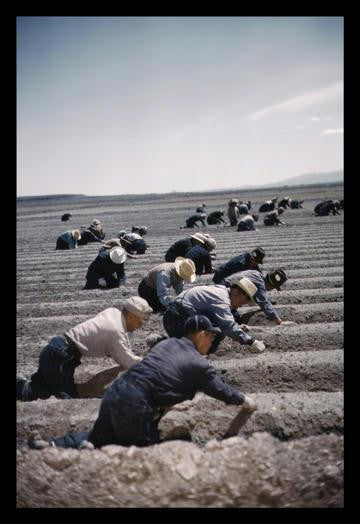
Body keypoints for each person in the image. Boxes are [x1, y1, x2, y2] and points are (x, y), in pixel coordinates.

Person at [29, 315, 256, 450]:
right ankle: (85, 464)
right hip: (135, 405)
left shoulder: (166, 345)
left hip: (115, 394)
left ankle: (52, 446)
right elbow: (220, 389)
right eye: (211, 336)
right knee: (142, 450)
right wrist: (244, 399)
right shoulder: (199, 363)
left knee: (96, 438)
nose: (212, 341)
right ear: (201, 334)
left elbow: (159, 375)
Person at [16, 297, 153, 402]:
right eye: (139, 322)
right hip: (62, 357)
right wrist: (150, 364)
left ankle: (20, 386)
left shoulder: (113, 312)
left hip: (56, 348)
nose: (139, 326)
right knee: (67, 399)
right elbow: (127, 361)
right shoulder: (116, 332)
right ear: (130, 316)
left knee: (40, 389)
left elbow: (116, 341)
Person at [163, 276, 266, 354]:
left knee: (215, 330)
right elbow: (228, 326)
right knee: (215, 334)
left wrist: (237, 327)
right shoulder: (222, 299)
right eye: (242, 302)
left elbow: (218, 320)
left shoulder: (221, 290)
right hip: (177, 318)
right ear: (236, 292)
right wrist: (251, 342)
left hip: (176, 315)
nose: (240, 306)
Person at [223, 269, 294, 326]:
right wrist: (279, 322)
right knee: (235, 321)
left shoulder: (257, 273)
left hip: (225, 286)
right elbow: (264, 303)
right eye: (274, 288)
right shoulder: (260, 284)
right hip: (228, 292)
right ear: (271, 285)